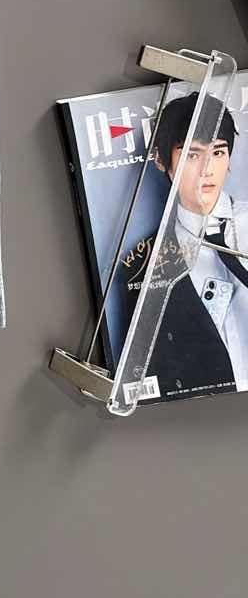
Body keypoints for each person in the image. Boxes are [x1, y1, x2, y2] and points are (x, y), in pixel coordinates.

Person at [116, 89, 248, 400]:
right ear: (162, 161)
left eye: (218, 153)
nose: (207, 169)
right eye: (192, 154)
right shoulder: (143, 263)